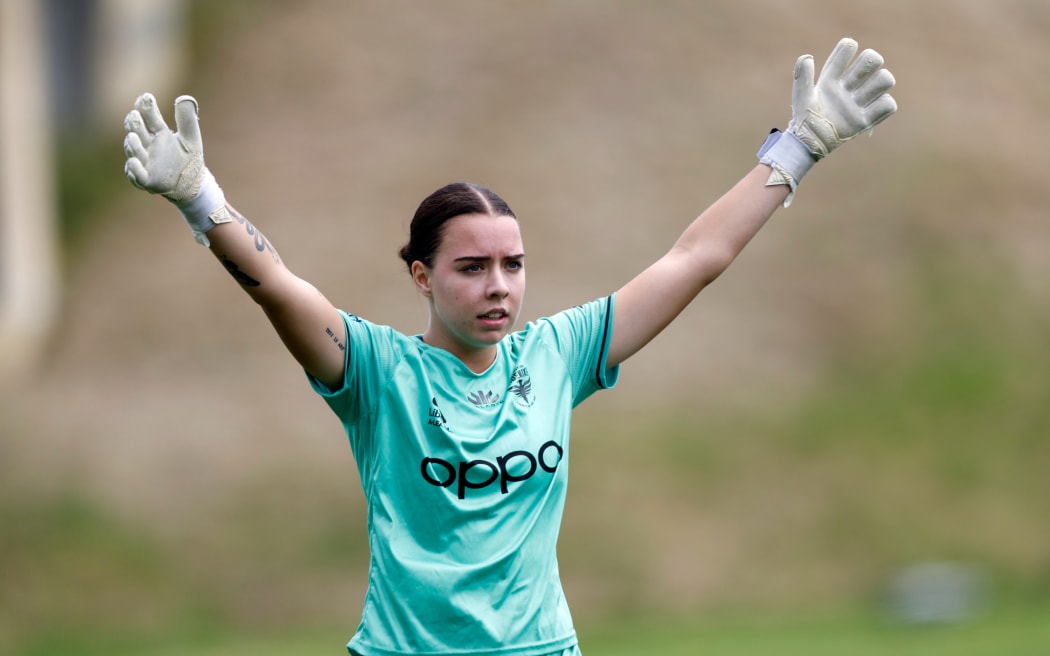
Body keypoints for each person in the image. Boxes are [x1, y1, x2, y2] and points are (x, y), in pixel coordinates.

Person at [122, 36, 896, 656]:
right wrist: (201, 199)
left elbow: (692, 260)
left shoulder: (556, 356)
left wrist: (800, 148)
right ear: (422, 277)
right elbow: (279, 286)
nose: (499, 285)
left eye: (512, 265)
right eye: (472, 267)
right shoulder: (376, 372)